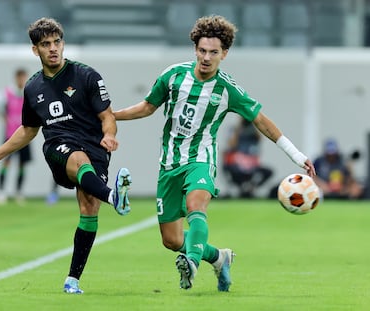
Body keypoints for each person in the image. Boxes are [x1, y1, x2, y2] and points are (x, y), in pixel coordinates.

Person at [113, 15, 315, 291]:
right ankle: (219, 257)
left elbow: (261, 121)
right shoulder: (172, 76)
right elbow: (147, 107)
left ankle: (192, 262)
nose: (206, 57)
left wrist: (296, 155)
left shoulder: (227, 89)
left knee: (197, 206)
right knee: (171, 240)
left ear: (225, 54)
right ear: (195, 49)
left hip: (201, 158)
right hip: (170, 163)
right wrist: (111, 116)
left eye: (214, 52)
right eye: (202, 51)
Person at [0, 17, 132, 294]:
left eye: (57, 42)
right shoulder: (33, 88)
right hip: (58, 145)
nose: (53, 48)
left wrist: (109, 135)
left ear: (63, 43)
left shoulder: (87, 75)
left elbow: (107, 116)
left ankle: (72, 279)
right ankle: (113, 196)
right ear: (36, 50)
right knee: (77, 159)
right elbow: (27, 130)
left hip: (95, 146)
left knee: (88, 208)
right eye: (45, 44)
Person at [0, 68, 31, 205]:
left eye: (24, 78)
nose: (22, 80)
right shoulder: (7, 93)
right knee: (6, 163)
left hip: (25, 135)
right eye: (20, 78)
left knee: (22, 165)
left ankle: (19, 192)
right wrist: (2, 116)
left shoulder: (28, 93)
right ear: (16, 78)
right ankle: (0, 192)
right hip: (10, 135)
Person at [223, 117, 273, 198]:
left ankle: (251, 188)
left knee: (268, 172)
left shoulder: (253, 130)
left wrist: (254, 121)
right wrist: (239, 127)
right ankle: (242, 189)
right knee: (232, 171)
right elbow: (232, 144)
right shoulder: (235, 129)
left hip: (251, 163)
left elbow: (259, 138)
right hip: (237, 163)